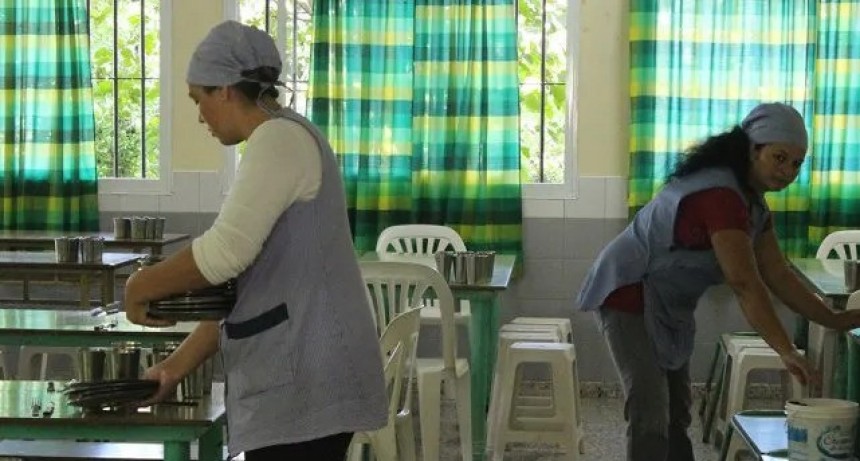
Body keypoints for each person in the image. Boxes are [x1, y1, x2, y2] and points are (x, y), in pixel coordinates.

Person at [123, 20, 387, 461]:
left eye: (198, 99)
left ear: (225, 89)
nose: (199, 116)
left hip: (308, 373)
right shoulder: (277, 139)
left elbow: (225, 254)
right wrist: (173, 368)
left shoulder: (279, 140)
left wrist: (140, 285)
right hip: (297, 373)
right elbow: (244, 288)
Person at [576, 102, 860, 461]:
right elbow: (745, 282)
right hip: (627, 291)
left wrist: (833, 319)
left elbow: (778, 273)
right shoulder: (719, 196)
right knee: (650, 407)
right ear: (752, 150)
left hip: (667, 303)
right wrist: (786, 348)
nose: (788, 171)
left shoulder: (751, 204)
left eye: (797, 163)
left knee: (677, 410)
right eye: (779, 157)